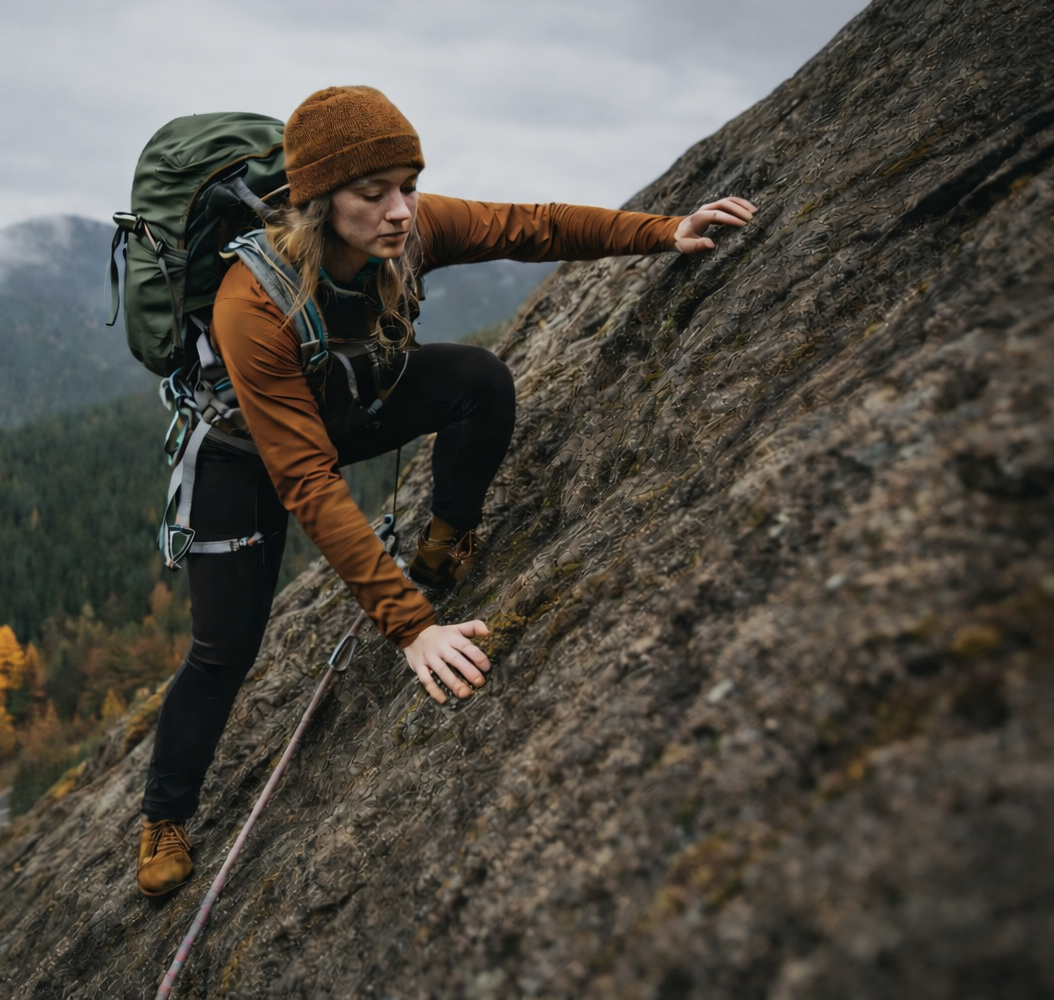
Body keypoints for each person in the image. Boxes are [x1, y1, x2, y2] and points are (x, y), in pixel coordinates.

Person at [136, 86, 755, 896]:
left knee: (477, 378)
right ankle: (164, 816)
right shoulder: (250, 302)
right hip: (242, 456)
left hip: (340, 399)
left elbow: (528, 224)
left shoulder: (409, 229)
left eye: (409, 185)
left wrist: (662, 232)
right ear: (318, 200)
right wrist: (413, 630)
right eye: (374, 192)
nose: (399, 211)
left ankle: (447, 539)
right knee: (226, 650)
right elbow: (309, 482)